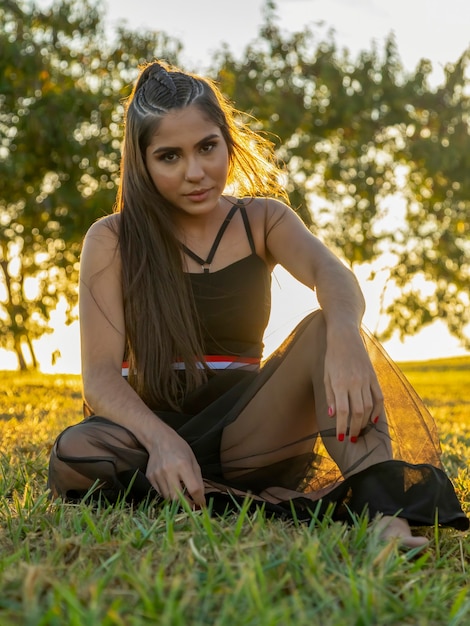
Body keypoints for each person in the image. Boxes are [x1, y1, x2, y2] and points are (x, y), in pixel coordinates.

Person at [48, 60, 468, 548]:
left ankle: (386, 517)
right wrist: (164, 441)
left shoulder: (262, 219)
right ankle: (201, 484)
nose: (196, 172)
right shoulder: (112, 238)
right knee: (78, 449)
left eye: (207, 147)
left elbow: (332, 273)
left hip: (248, 435)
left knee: (321, 330)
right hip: (149, 432)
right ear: (142, 162)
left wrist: (346, 339)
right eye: (169, 157)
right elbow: (99, 378)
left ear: (226, 140)